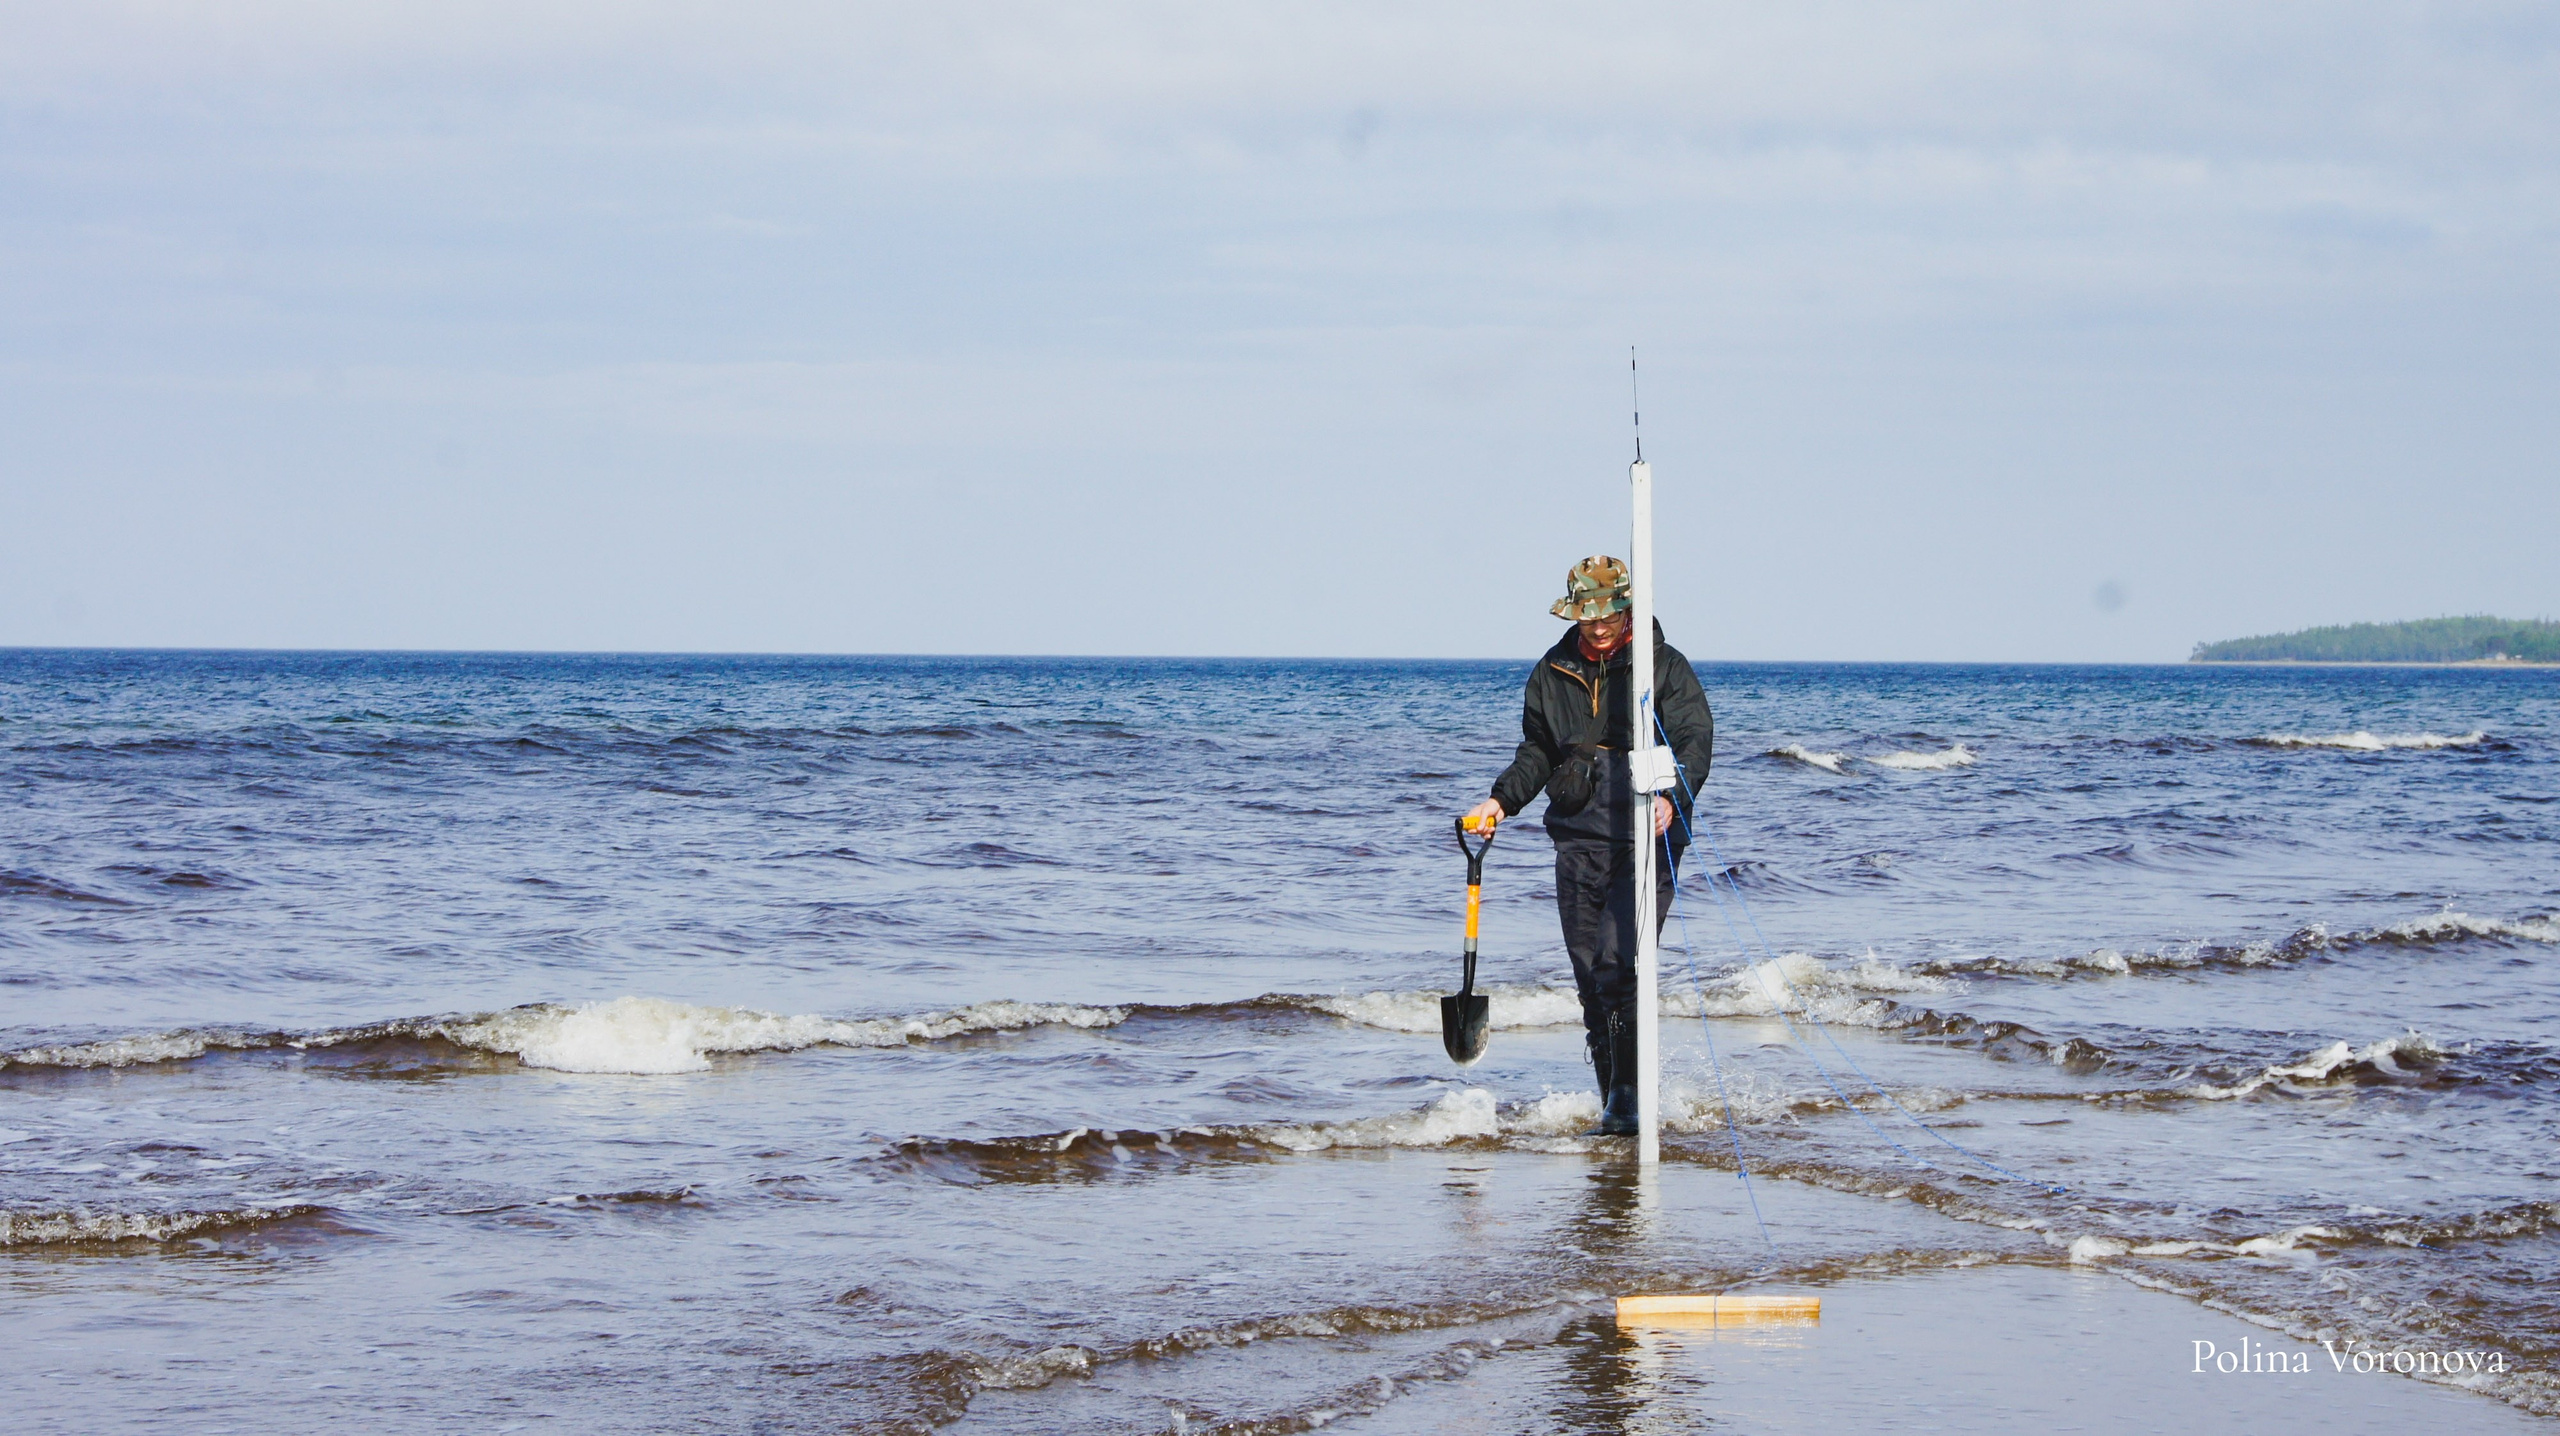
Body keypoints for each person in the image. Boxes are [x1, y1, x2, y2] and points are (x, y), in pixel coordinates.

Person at [1463, 555, 1713, 1135]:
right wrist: (1501, 800)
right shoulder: (1552, 671)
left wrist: (1674, 796)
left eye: (1608, 617)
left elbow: (1695, 739)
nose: (1598, 628)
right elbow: (1537, 752)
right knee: (1588, 978)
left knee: (1616, 963)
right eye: (1587, 618)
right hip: (1577, 838)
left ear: (1626, 609)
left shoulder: (1663, 667)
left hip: (1646, 836)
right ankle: (1612, 1102)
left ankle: (1627, 1102)